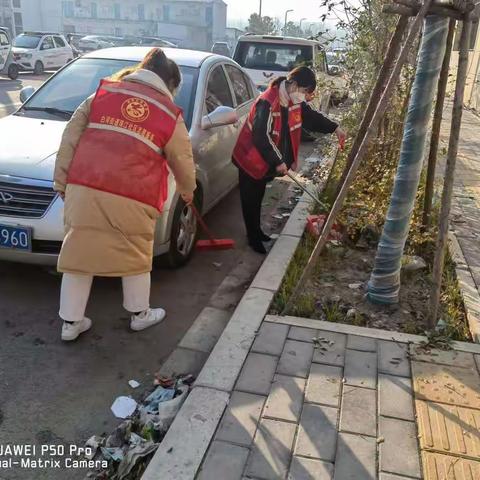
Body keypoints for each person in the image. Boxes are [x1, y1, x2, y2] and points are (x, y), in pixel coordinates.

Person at [54, 48, 196, 341]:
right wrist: (188, 192)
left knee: (79, 251)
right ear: (170, 84)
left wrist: (61, 182)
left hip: (85, 185)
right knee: (135, 253)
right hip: (135, 192)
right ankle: (140, 315)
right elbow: (182, 159)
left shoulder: (102, 95)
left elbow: (70, 136)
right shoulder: (169, 114)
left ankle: (70, 323)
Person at [232, 66, 346, 254]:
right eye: (304, 92)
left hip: (264, 160)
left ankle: (257, 232)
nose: (304, 97)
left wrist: (335, 128)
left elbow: (311, 117)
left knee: (259, 196)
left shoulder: (292, 100)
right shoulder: (267, 102)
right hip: (250, 158)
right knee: (250, 198)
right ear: (293, 84)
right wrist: (277, 160)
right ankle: (253, 239)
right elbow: (261, 136)